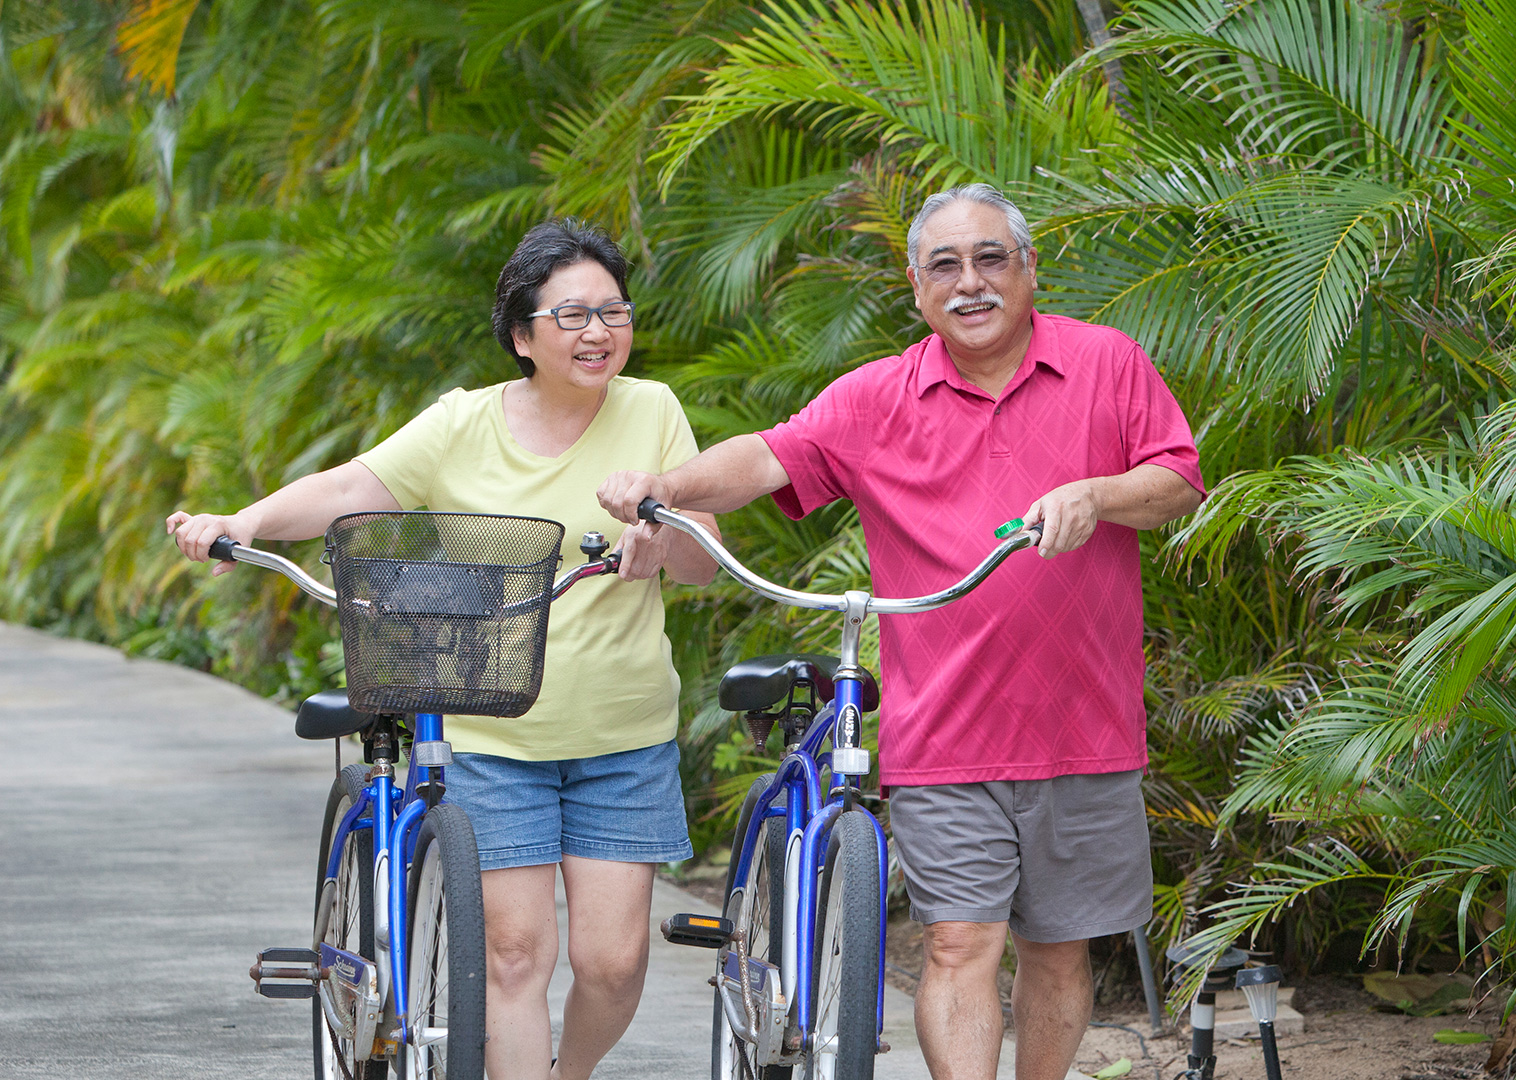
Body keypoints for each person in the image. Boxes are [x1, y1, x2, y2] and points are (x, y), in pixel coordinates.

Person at [598, 184, 1205, 1080]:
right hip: (945, 733)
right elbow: (768, 456)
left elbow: (1179, 481)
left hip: (1086, 726)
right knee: (959, 945)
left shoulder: (1108, 363)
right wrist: (670, 487)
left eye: (992, 259)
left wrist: (1097, 493)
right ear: (916, 286)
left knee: (1061, 953)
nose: (972, 283)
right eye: (946, 266)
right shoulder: (878, 397)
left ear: (1031, 269)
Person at [167, 219, 719, 1080]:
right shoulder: (464, 424)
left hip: (622, 735)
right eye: (572, 314)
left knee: (614, 966)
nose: (598, 332)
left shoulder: (653, 411)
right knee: (513, 956)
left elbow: (701, 560)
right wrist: (242, 521)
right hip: (492, 734)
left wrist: (661, 536)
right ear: (521, 335)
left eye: (614, 312)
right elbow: (354, 488)